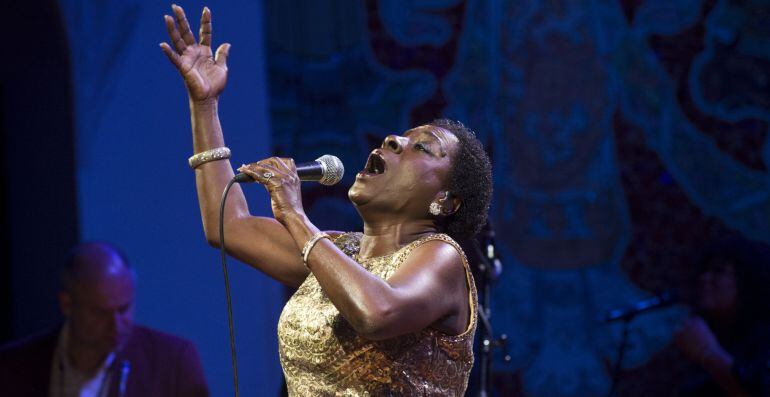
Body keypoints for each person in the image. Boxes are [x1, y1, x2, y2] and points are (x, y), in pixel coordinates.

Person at [159, 5, 493, 395]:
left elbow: (377, 312)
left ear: (444, 201)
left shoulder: (442, 257)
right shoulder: (335, 253)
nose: (392, 140)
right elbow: (229, 225)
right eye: (399, 136)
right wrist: (204, 106)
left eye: (422, 147)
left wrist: (295, 216)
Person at [0, 242, 209, 397]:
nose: (117, 325)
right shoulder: (12, 367)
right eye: (100, 313)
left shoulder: (172, 363)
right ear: (66, 304)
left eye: (124, 308)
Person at [674, 237, 770, 396]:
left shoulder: (764, 342)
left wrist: (709, 353)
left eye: (718, 271)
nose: (704, 278)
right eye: (704, 271)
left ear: (749, 281)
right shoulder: (717, 336)